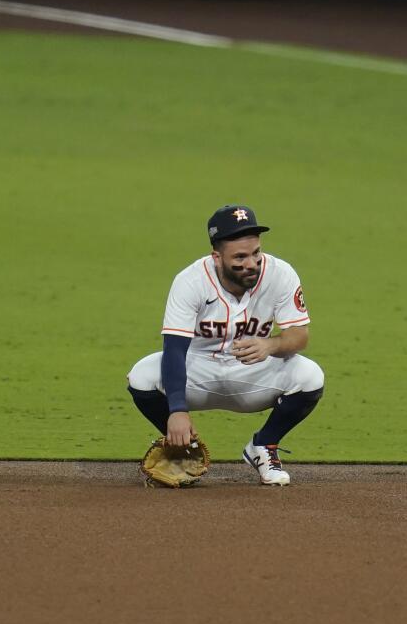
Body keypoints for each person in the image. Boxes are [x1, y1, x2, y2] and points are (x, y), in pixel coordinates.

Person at [126, 205, 325, 485]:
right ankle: (183, 448)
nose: (251, 263)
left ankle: (264, 445)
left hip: (253, 375)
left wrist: (271, 345)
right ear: (217, 257)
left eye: (256, 253)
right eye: (240, 257)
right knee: (141, 376)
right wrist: (177, 410)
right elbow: (174, 350)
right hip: (197, 373)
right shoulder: (190, 282)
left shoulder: (281, 274)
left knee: (311, 377)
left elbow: (300, 336)